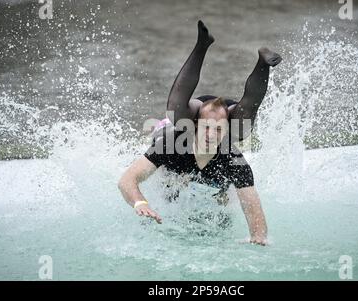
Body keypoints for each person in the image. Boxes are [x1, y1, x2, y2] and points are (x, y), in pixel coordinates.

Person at [118, 20, 282, 246]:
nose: (211, 136)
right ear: (195, 127)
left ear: (225, 133)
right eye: (206, 130)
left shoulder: (234, 160)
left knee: (221, 213)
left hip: (220, 116)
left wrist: (258, 237)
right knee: (176, 120)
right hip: (191, 115)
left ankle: (263, 64)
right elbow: (127, 180)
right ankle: (202, 45)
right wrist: (140, 203)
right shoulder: (171, 143)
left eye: (217, 131)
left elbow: (254, 210)